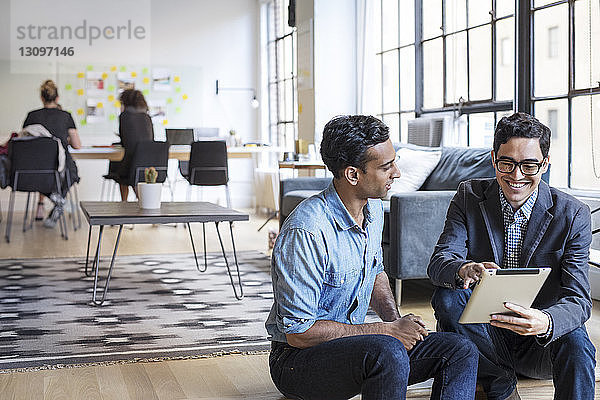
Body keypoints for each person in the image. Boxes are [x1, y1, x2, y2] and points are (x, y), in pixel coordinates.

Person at [265, 115, 479, 400]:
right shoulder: (307, 231)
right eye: (386, 166)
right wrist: (388, 331)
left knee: (460, 349)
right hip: (297, 362)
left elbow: (375, 269)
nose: (398, 173)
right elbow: (299, 334)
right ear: (353, 174)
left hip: (358, 348)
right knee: (387, 351)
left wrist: (398, 324)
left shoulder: (373, 209)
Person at [428, 112, 596, 400]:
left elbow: (578, 300)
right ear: (494, 158)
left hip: (538, 341)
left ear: (545, 163)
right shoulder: (468, 196)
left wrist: (547, 322)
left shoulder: (573, 214)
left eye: (529, 165)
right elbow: (440, 262)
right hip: (481, 337)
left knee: (578, 341)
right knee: (446, 297)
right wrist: (464, 268)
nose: (516, 176)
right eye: (507, 163)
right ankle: (501, 382)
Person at [23, 79, 81, 228]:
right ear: (57, 98)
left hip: (35, 169)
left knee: (46, 174)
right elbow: (77, 145)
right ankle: (59, 202)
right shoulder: (66, 116)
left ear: (42, 98)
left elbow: (24, 142)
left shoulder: (31, 116)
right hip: (60, 168)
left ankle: (57, 202)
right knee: (71, 173)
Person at [112, 89, 154, 201]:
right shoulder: (146, 117)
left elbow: (125, 140)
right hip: (148, 165)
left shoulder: (125, 116)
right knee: (127, 170)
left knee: (120, 171)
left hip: (131, 165)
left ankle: (124, 202)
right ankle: (142, 201)